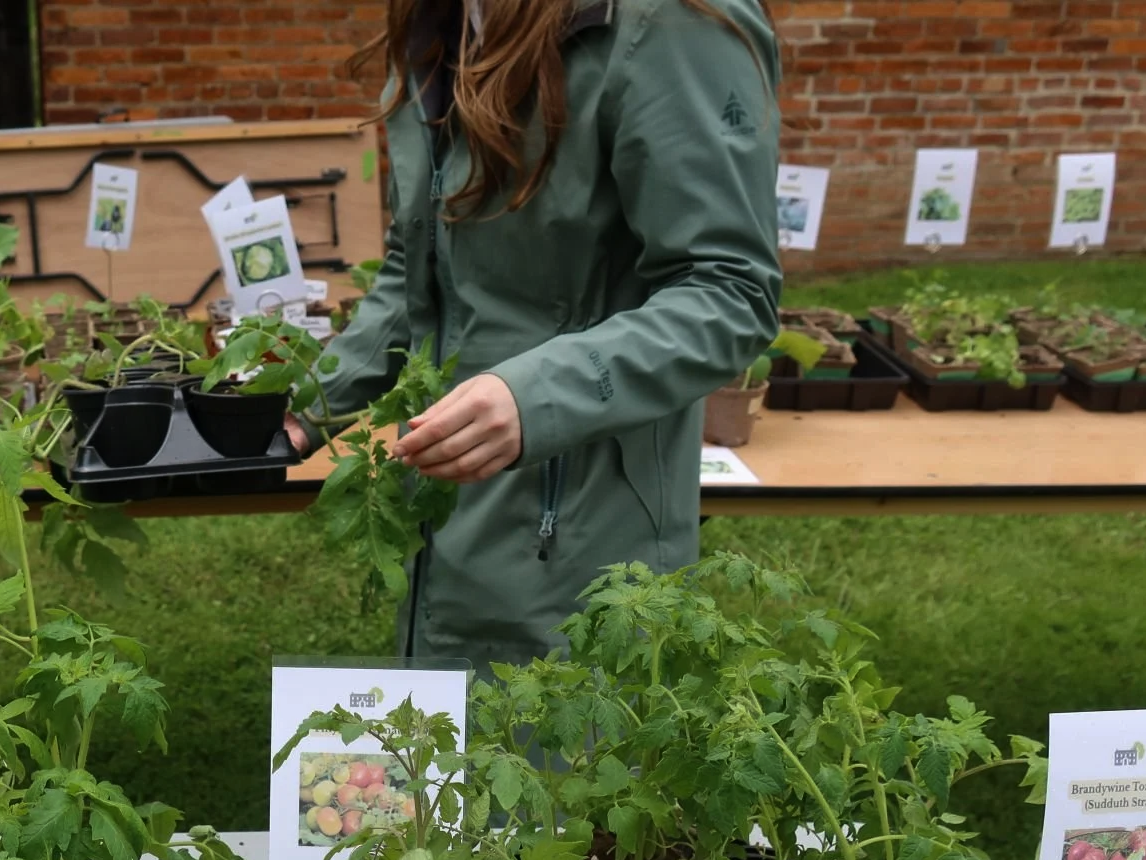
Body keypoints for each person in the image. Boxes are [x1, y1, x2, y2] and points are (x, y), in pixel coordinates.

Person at [288, 0, 782, 670]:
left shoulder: (666, 23)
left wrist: (537, 396)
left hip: (581, 524)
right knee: (453, 753)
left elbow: (730, 293)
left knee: (565, 757)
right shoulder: (444, 21)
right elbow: (425, 270)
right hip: (450, 499)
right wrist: (309, 403)